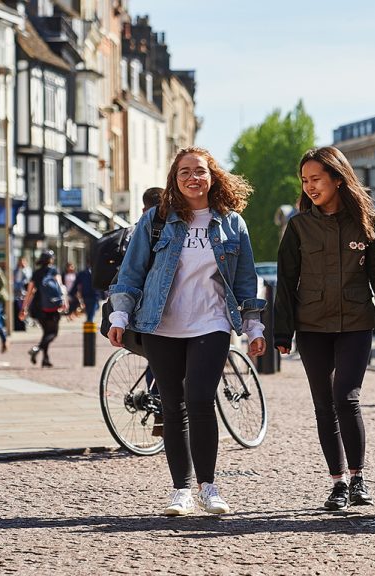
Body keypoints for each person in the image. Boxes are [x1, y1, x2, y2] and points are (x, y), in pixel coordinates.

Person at [107, 147, 266, 517]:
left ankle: (208, 487)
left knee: (199, 399)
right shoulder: (157, 219)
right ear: (174, 180)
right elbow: (131, 272)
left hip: (211, 323)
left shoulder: (232, 224)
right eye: (184, 173)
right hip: (160, 324)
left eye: (200, 171)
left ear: (212, 177)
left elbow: (245, 282)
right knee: (173, 406)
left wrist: (253, 325)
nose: (193, 178)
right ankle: (181, 490)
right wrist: (119, 316)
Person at [274, 146, 375, 511]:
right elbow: (286, 282)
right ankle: (338, 482)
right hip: (311, 326)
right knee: (323, 404)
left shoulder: (366, 222)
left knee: (346, 396)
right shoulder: (298, 226)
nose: (310, 186)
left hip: (356, 323)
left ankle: (358, 477)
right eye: (305, 181)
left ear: (337, 178)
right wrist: (282, 332)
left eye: (316, 179)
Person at [18, 251, 65, 367]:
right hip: (53, 306)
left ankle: (45, 359)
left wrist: (24, 308)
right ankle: (37, 349)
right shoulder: (54, 271)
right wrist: (64, 302)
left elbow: (29, 292)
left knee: (46, 332)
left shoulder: (36, 273)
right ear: (51, 260)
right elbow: (61, 287)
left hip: (39, 307)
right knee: (53, 333)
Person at [13, 258, 32, 331]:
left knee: (23, 308)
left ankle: (24, 324)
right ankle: (17, 325)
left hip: (24, 293)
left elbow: (27, 279)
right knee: (17, 309)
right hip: (16, 293)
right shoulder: (15, 270)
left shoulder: (27, 270)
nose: (21, 263)